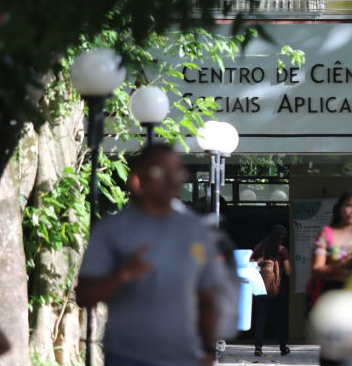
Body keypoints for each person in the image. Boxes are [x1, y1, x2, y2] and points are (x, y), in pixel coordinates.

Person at [76, 144, 218, 366]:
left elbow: (207, 297)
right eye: (161, 172)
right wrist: (122, 274)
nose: (172, 180)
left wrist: (209, 350)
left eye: (176, 172)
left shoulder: (195, 230)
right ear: (136, 179)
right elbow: (84, 296)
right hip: (128, 357)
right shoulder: (112, 230)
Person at [310, 191, 352, 293]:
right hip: (333, 291)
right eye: (349, 205)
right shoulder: (326, 234)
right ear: (340, 207)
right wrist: (343, 262)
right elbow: (316, 270)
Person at [250, 224, 291, 357]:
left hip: (260, 286)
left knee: (261, 318)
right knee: (279, 318)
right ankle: (283, 347)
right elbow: (288, 271)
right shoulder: (282, 250)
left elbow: (250, 264)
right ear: (282, 237)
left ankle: (258, 347)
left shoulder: (259, 247)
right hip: (277, 288)